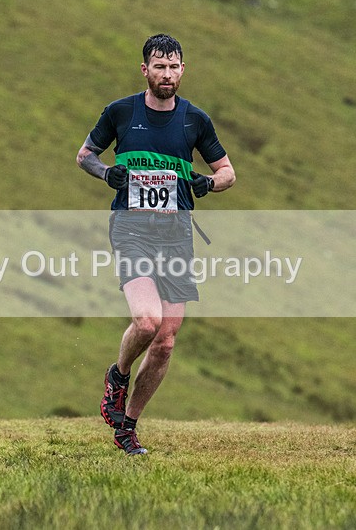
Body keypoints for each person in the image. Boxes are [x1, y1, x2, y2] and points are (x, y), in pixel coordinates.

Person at [76, 34, 236, 454]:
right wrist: (105, 172)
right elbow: (85, 155)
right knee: (146, 322)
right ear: (145, 70)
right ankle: (119, 374)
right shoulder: (121, 112)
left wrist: (207, 183)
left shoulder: (194, 120)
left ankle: (127, 427)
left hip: (177, 235)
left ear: (183, 70)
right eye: (159, 67)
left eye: (173, 67)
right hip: (131, 229)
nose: (167, 74)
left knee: (165, 340)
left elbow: (228, 172)